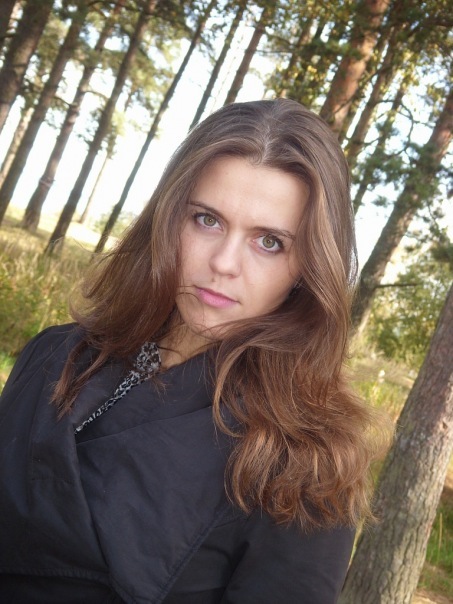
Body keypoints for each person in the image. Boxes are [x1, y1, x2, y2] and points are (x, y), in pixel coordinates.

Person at [0, 98, 380, 603]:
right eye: (207, 220)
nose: (224, 262)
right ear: (168, 219)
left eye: (269, 242)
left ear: (307, 268)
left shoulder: (305, 466)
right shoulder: (55, 353)